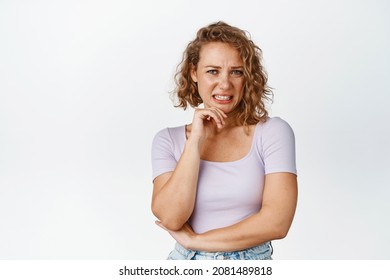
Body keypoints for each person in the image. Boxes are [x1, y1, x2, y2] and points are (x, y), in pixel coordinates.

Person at [151, 21, 297, 260]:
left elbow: (278, 223)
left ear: (247, 77)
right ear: (193, 73)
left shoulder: (272, 132)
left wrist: (198, 241)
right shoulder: (167, 140)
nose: (225, 84)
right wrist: (195, 141)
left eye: (236, 72)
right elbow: (171, 217)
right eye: (213, 71)